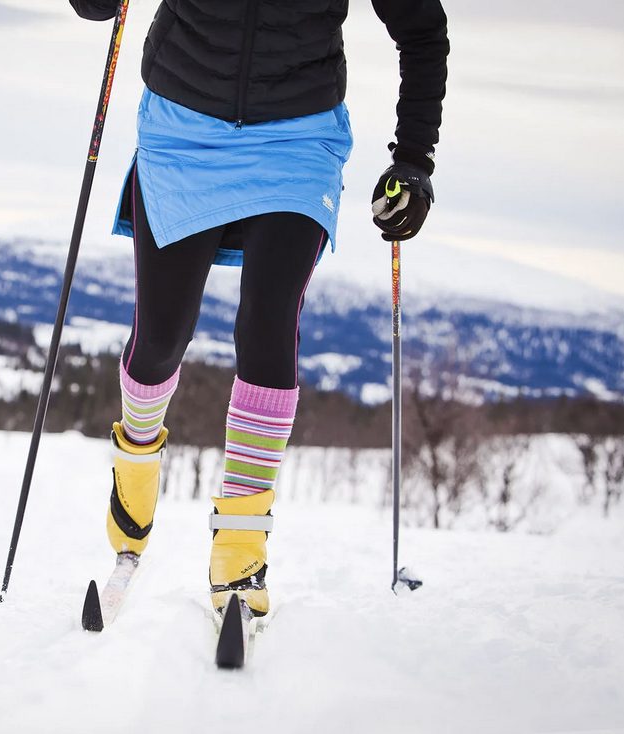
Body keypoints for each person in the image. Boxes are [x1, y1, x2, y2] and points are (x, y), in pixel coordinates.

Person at [69, 0, 449, 616]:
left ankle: (241, 549)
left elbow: (422, 29)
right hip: (184, 125)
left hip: (298, 138)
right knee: (161, 337)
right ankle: (134, 468)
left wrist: (414, 159)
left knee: (268, 324)